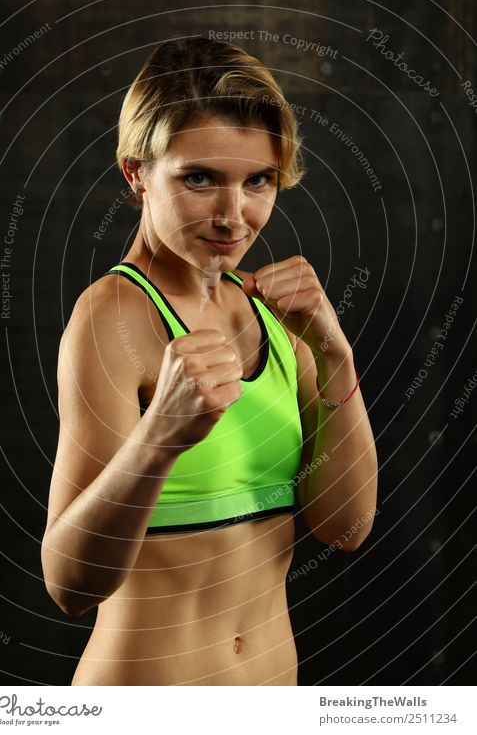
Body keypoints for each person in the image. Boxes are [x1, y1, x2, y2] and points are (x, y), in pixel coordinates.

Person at [40, 36, 378, 686]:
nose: (233, 216)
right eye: (199, 178)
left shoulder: (278, 316)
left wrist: (334, 358)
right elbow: (70, 584)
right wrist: (159, 438)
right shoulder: (112, 316)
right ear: (136, 172)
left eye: (258, 181)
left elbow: (345, 527)